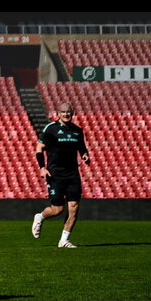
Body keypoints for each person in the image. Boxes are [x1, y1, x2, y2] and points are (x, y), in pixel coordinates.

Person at [31, 102, 90, 248]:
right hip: (55, 173)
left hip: (72, 174)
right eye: (63, 112)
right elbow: (39, 148)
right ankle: (40, 216)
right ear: (58, 113)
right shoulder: (50, 129)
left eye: (68, 112)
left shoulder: (77, 131)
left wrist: (85, 155)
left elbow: (82, 148)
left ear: (72, 113)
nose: (66, 114)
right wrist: (42, 168)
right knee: (58, 209)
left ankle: (63, 240)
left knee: (74, 207)